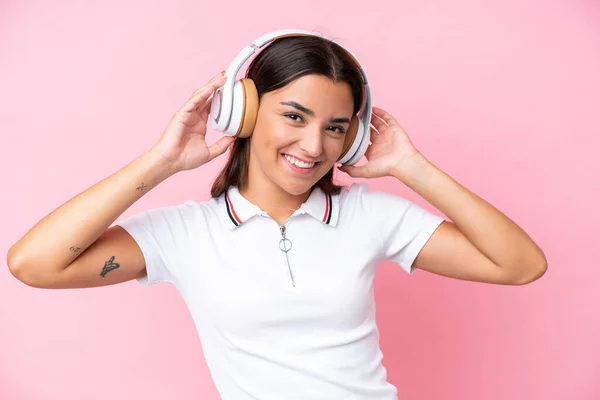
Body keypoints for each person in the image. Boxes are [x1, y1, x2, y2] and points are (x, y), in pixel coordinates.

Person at [7, 31, 547, 400]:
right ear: (243, 112)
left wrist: (412, 168)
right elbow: (35, 264)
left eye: (336, 127)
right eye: (294, 115)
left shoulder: (373, 217)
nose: (313, 146)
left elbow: (521, 264)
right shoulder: (185, 234)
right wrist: (162, 161)